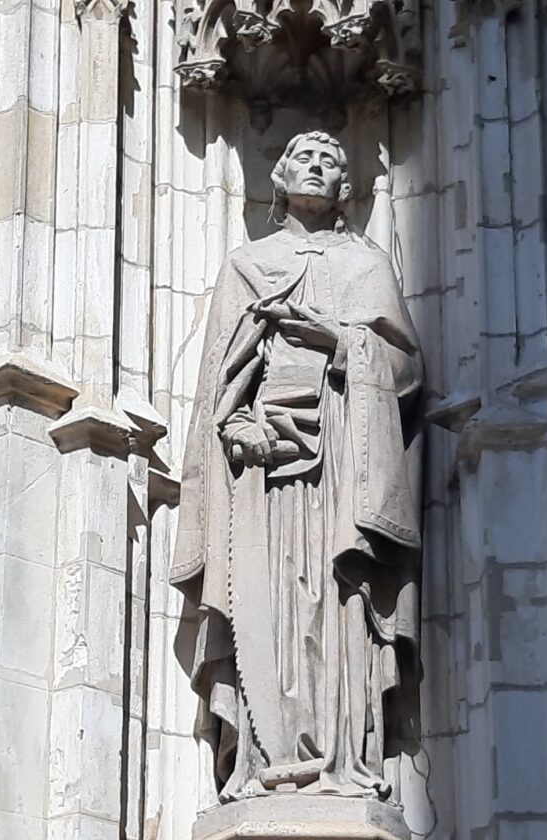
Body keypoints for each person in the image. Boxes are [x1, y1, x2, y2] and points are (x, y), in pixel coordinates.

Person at [171, 130, 423, 803]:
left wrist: (340, 342)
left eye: (332, 161)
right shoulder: (246, 267)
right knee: (270, 604)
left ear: (346, 188)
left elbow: (405, 374)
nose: (317, 165)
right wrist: (239, 426)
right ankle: (261, 757)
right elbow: (216, 393)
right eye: (303, 158)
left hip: (344, 469)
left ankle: (346, 757)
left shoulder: (368, 267)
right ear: (277, 179)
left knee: (339, 605)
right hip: (264, 481)